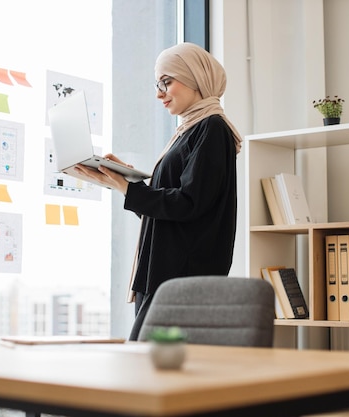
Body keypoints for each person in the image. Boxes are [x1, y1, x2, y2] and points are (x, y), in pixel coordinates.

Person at [74, 42, 242, 340]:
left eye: (166, 82)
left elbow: (189, 204)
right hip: (164, 272)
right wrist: (120, 182)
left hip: (180, 278)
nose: (159, 93)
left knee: (155, 366)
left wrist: (129, 187)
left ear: (196, 79)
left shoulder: (212, 129)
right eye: (157, 83)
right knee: (151, 365)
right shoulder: (190, 130)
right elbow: (171, 209)